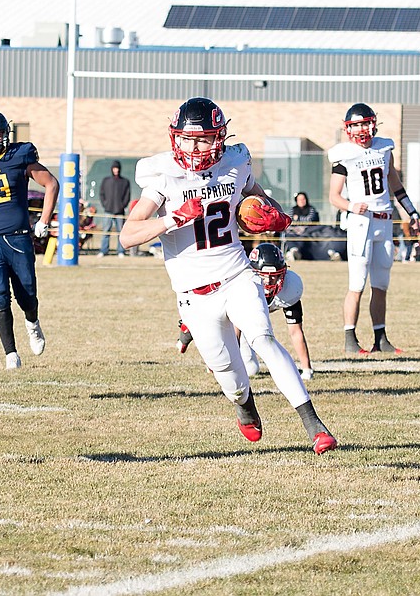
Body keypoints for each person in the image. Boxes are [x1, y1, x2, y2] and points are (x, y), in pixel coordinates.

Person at [120, 96, 337, 455]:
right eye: (187, 138)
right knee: (231, 378)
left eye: (203, 138)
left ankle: (314, 425)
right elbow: (128, 235)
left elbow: (261, 201)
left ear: (219, 137)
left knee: (263, 337)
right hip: (194, 294)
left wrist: (277, 216)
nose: (194, 146)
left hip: (237, 273)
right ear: (175, 137)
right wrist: (173, 219)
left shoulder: (235, 164)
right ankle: (244, 405)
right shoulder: (164, 177)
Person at [0, 109, 60, 369]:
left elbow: (51, 183)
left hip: (19, 238)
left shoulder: (19, 155)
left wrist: (44, 220)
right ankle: (10, 353)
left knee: (26, 294)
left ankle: (32, 322)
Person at [328, 102, 420, 355]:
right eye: (355, 124)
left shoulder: (384, 148)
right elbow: (333, 196)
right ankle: (350, 338)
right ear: (348, 129)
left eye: (364, 123)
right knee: (357, 283)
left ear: (373, 124)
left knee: (381, 283)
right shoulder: (343, 154)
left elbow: (396, 186)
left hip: (384, 221)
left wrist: (411, 211)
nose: (361, 129)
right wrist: (350, 205)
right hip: (362, 222)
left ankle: (380, 338)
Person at [180, 243, 316, 381]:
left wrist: (307, 370)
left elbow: (295, 332)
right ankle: (189, 329)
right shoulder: (244, 286)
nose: (268, 281)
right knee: (221, 359)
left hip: (247, 320)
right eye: (263, 276)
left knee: (251, 370)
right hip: (223, 313)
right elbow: (235, 331)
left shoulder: (291, 287)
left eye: (274, 276)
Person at [98, 160, 131, 256]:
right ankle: (103, 251)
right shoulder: (106, 181)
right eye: (114, 168)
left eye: (117, 168)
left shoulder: (125, 182)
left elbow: (127, 196)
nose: (116, 170)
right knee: (105, 232)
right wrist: (105, 204)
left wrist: (122, 206)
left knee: (120, 233)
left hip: (120, 212)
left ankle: (121, 251)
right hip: (108, 211)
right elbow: (102, 194)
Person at [283, 192, 320, 261]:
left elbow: (309, 220)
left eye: (303, 199)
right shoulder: (293, 209)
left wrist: (298, 218)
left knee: (303, 237)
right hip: (294, 232)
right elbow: (289, 219)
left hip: (307, 232)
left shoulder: (311, 209)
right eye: (299, 199)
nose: (301, 201)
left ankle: (296, 252)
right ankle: (294, 250)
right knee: (288, 235)